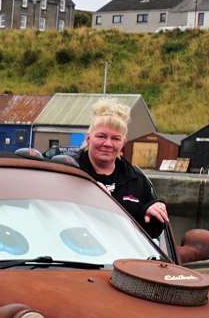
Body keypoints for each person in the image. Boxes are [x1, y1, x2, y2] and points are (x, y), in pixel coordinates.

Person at [70, 99, 165, 240]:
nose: (108, 144)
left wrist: (154, 212)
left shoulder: (137, 179)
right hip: (76, 252)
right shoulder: (69, 171)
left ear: (123, 143)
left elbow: (151, 235)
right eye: (101, 136)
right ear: (89, 138)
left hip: (122, 259)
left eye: (115, 138)